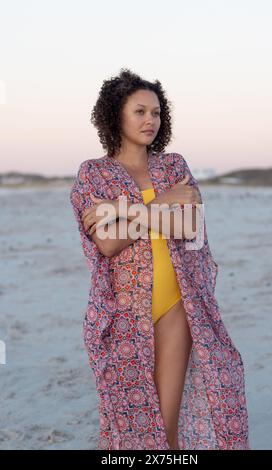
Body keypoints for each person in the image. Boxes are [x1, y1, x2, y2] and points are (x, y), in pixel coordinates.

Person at [69, 68, 250, 450]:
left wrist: (123, 210)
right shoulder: (93, 174)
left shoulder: (173, 167)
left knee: (164, 431)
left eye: (156, 112)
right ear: (116, 114)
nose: (150, 120)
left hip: (176, 306)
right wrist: (161, 204)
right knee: (129, 427)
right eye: (140, 111)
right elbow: (108, 243)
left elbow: (189, 225)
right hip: (121, 312)